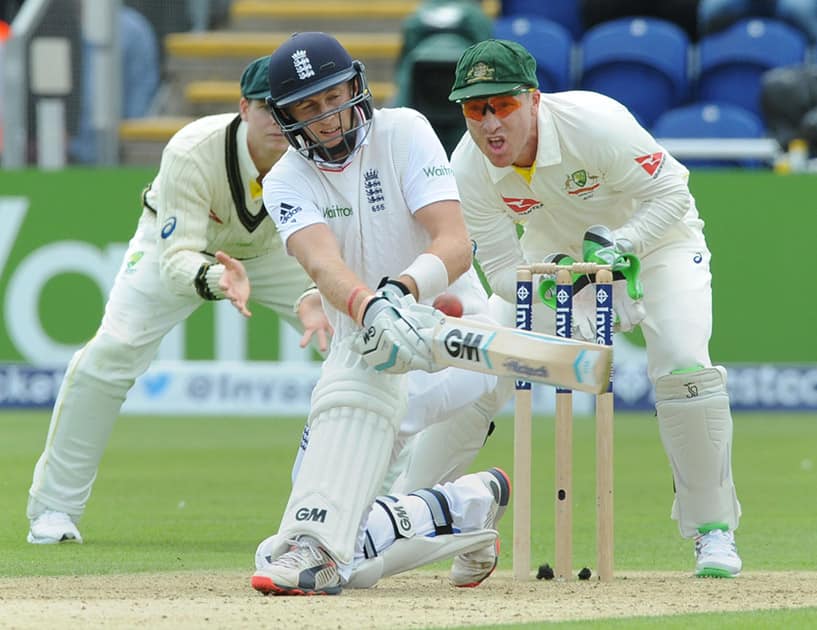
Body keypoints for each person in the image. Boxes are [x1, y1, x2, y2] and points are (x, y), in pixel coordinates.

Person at [446, 38, 743, 578]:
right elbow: (503, 266)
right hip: (554, 269)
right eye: (475, 108)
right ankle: (416, 517)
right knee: (478, 360)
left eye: (503, 105)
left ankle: (713, 531)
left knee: (683, 364)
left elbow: (673, 192)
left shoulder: (595, 122)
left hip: (657, 245)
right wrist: (571, 290)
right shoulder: (468, 166)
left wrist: (620, 251)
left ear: (534, 99)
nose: (490, 124)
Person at [250, 31, 511, 596]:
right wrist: (372, 309)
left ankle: (320, 545)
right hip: (368, 348)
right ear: (287, 116)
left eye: (333, 96)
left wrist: (401, 291)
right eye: (308, 107)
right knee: (338, 556)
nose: (327, 117)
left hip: (452, 341)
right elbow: (323, 264)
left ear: (356, 84)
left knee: (316, 531)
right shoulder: (285, 181)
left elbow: (455, 241)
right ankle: (461, 509)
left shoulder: (404, 131)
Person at [26, 56, 318, 544]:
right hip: (186, 246)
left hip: (275, 250)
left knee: (357, 344)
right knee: (109, 354)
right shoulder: (194, 149)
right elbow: (176, 255)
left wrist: (320, 291)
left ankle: (367, 505)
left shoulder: (314, 145)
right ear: (244, 108)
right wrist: (217, 279)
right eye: (268, 107)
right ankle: (53, 510)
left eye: (289, 108)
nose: (279, 120)